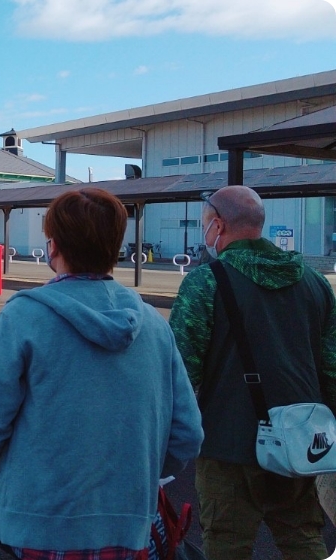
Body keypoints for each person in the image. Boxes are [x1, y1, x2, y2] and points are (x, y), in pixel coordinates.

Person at [0, 188, 203, 559]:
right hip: (128, 527)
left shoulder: (24, 317)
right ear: (116, 247)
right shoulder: (155, 325)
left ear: (53, 247)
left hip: (37, 525)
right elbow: (187, 434)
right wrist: (138, 472)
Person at [169, 185, 336, 559]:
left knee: (226, 542)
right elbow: (332, 368)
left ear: (219, 225)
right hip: (300, 440)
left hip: (227, 445)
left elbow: (179, 372)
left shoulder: (205, 282)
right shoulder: (315, 283)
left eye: (205, 224)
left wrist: (167, 441)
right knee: (303, 537)